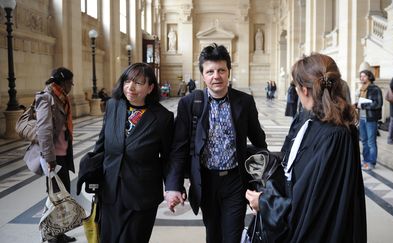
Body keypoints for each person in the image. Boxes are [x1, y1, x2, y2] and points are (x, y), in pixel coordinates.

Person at [245, 53, 366, 242]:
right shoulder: (305, 119)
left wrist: (264, 204)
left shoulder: (335, 136)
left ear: (304, 89)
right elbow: (290, 164)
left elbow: (311, 206)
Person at [165, 43, 267, 243]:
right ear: (203, 75)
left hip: (235, 181)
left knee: (232, 234)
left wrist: (263, 183)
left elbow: (258, 141)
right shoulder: (189, 104)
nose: (216, 76)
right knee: (212, 234)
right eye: (210, 71)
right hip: (205, 181)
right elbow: (179, 148)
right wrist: (173, 185)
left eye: (221, 70)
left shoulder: (244, 102)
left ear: (229, 71)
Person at [91, 63, 174, 243]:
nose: (131, 87)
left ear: (150, 87)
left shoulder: (162, 118)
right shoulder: (113, 106)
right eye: (127, 81)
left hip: (142, 195)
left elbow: (169, 158)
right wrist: (90, 172)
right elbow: (101, 145)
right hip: (110, 192)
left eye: (138, 82)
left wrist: (172, 187)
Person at [36, 67, 76, 243]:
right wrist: (49, 158)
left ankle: (57, 232)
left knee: (61, 193)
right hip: (54, 156)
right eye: (70, 82)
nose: (72, 86)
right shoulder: (47, 98)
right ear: (63, 82)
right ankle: (52, 234)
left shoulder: (60, 97)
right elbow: (44, 130)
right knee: (55, 194)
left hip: (62, 154)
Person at [356, 70, 383, 170]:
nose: (362, 78)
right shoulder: (362, 89)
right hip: (362, 118)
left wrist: (363, 105)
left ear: (369, 77)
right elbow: (361, 103)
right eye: (361, 76)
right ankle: (365, 161)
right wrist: (356, 104)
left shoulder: (375, 89)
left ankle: (372, 162)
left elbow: (378, 103)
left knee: (371, 142)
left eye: (364, 76)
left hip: (371, 118)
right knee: (364, 141)